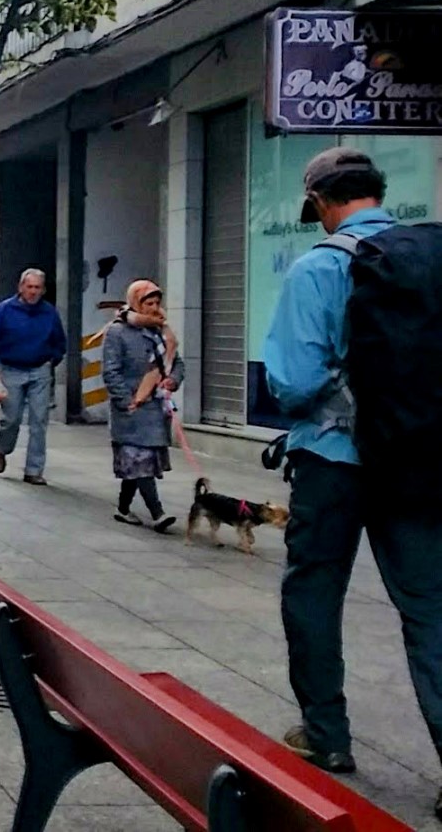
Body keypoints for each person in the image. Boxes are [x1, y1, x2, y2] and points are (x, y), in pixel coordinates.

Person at [263, 147, 442, 802]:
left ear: (318, 202)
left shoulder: (318, 267)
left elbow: (294, 380)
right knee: (428, 608)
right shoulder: (426, 257)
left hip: (332, 461)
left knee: (313, 595)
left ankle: (325, 734)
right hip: (418, 458)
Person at [99, 280, 180, 530]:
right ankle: (158, 513)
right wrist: (126, 401)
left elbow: (177, 363)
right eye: (148, 303)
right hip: (131, 408)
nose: (155, 308)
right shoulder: (117, 331)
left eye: (157, 303)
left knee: (138, 463)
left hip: (154, 408)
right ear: (136, 303)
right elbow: (110, 371)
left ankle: (123, 508)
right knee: (140, 459)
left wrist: (172, 380)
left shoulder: (161, 332)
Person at [0, 268, 68, 486]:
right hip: (11, 369)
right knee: (12, 419)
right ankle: (2, 448)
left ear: (43, 290)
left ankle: (34, 470)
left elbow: (59, 342)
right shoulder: (5, 310)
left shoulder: (49, 313)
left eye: (37, 288)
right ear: (21, 287)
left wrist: (51, 360)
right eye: (30, 287)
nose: (33, 292)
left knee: (39, 421)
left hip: (40, 370)